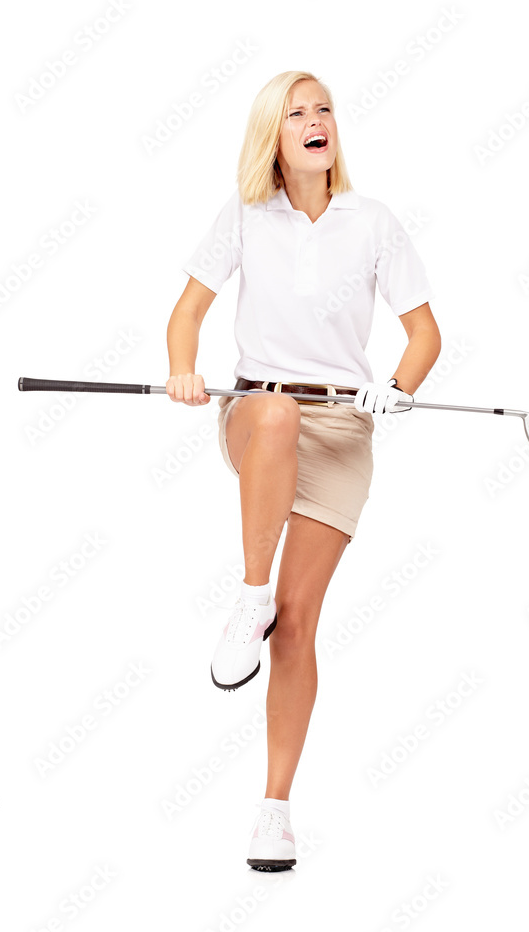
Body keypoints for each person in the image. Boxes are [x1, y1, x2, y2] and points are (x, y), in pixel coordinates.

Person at [165, 70, 441, 871]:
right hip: (257, 412)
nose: (316, 120)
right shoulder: (245, 217)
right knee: (279, 415)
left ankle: (273, 811)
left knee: (298, 627)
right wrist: (184, 369)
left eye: (323, 108)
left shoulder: (373, 222)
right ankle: (248, 600)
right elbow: (186, 314)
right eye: (296, 113)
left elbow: (423, 335)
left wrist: (397, 390)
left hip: (344, 431)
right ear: (273, 137)